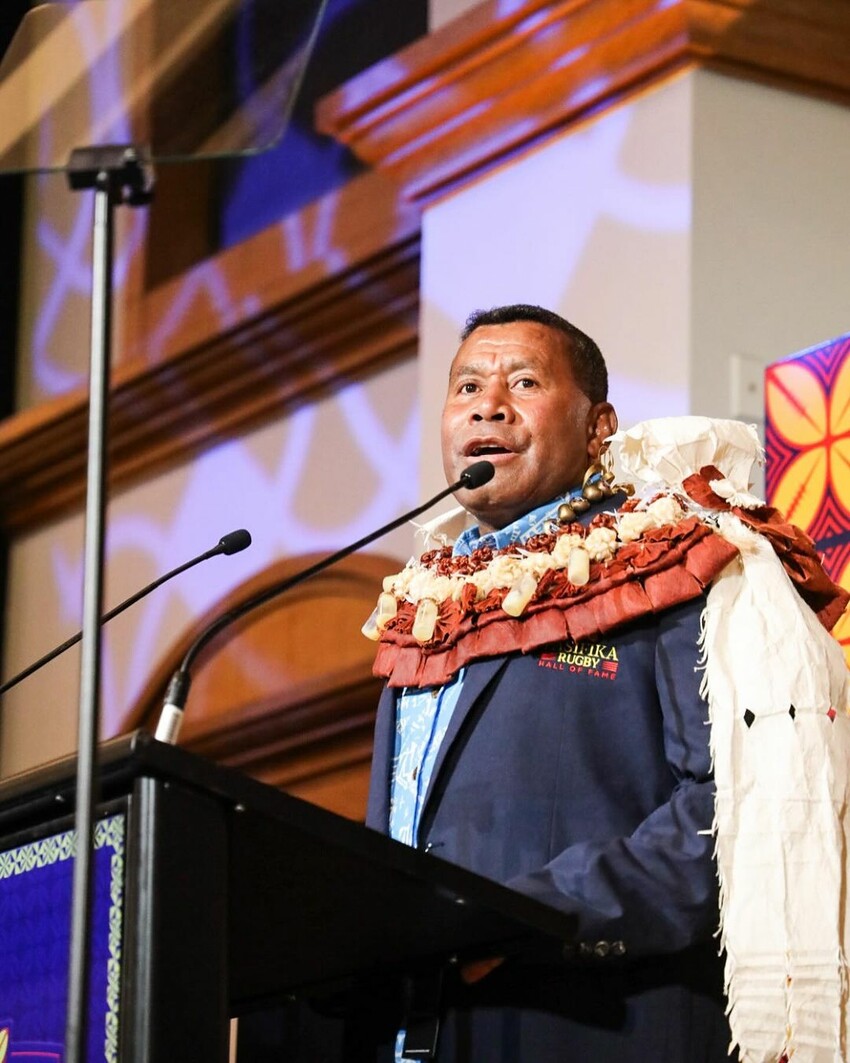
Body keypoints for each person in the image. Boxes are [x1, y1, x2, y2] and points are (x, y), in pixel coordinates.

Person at [364, 305, 733, 1061]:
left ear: (599, 427)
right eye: (466, 385)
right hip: (427, 1033)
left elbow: (725, 810)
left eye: (522, 381)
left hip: (591, 1022)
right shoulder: (422, 610)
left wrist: (530, 914)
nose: (486, 404)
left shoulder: (664, 568)